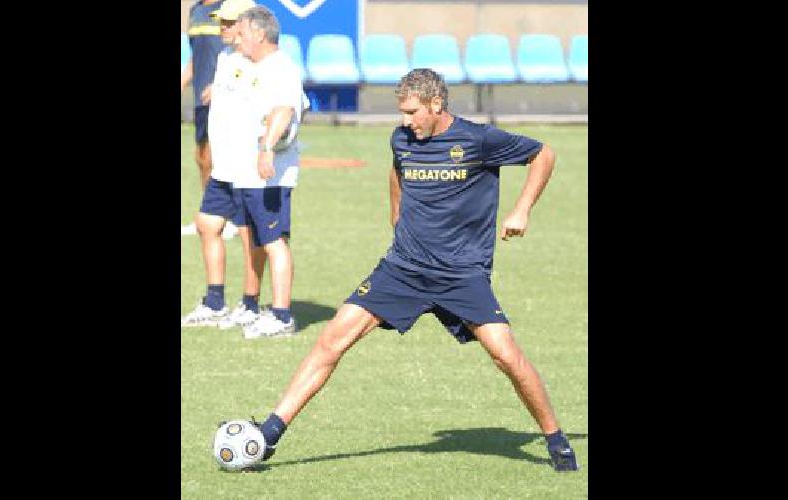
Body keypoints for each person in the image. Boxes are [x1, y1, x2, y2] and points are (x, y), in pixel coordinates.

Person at [245, 68, 579, 471]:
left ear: (436, 105)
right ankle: (268, 434)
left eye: (412, 112)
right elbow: (397, 171)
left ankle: (555, 439)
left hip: (461, 275)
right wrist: (397, 220)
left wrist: (522, 209)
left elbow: (543, 154)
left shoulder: (478, 140)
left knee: (506, 356)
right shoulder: (402, 139)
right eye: (402, 113)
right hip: (402, 268)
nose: (406, 121)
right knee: (331, 340)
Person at [181, 0, 265, 330]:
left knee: (250, 233)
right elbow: (196, 58)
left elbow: (279, 104)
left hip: (245, 160)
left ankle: (252, 303)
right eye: (222, 23)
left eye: (229, 24)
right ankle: (215, 302)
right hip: (224, 160)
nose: (222, 28)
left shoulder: (265, 62)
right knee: (205, 222)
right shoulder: (224, 54)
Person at [229, 5, 306, 338]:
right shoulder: (255, 67)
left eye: (243, 33)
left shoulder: (281, 68)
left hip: (269, 173)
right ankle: (252, 305)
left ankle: (281, 315)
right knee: (256, 239)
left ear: (260, 34)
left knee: (274, 241)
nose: (238, 39)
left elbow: (285, 110)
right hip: (249, 173)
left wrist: (266, 150)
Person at [182, 0, 237, 239]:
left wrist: (221, 84)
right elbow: (196, 55)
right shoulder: (194, 10)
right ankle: (209, 215)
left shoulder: (232, 8)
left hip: (228, 96)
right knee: (203, 157)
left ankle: (235, 219)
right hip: (202, 99)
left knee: (226, 158)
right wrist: (183, 81)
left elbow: (241, 49)